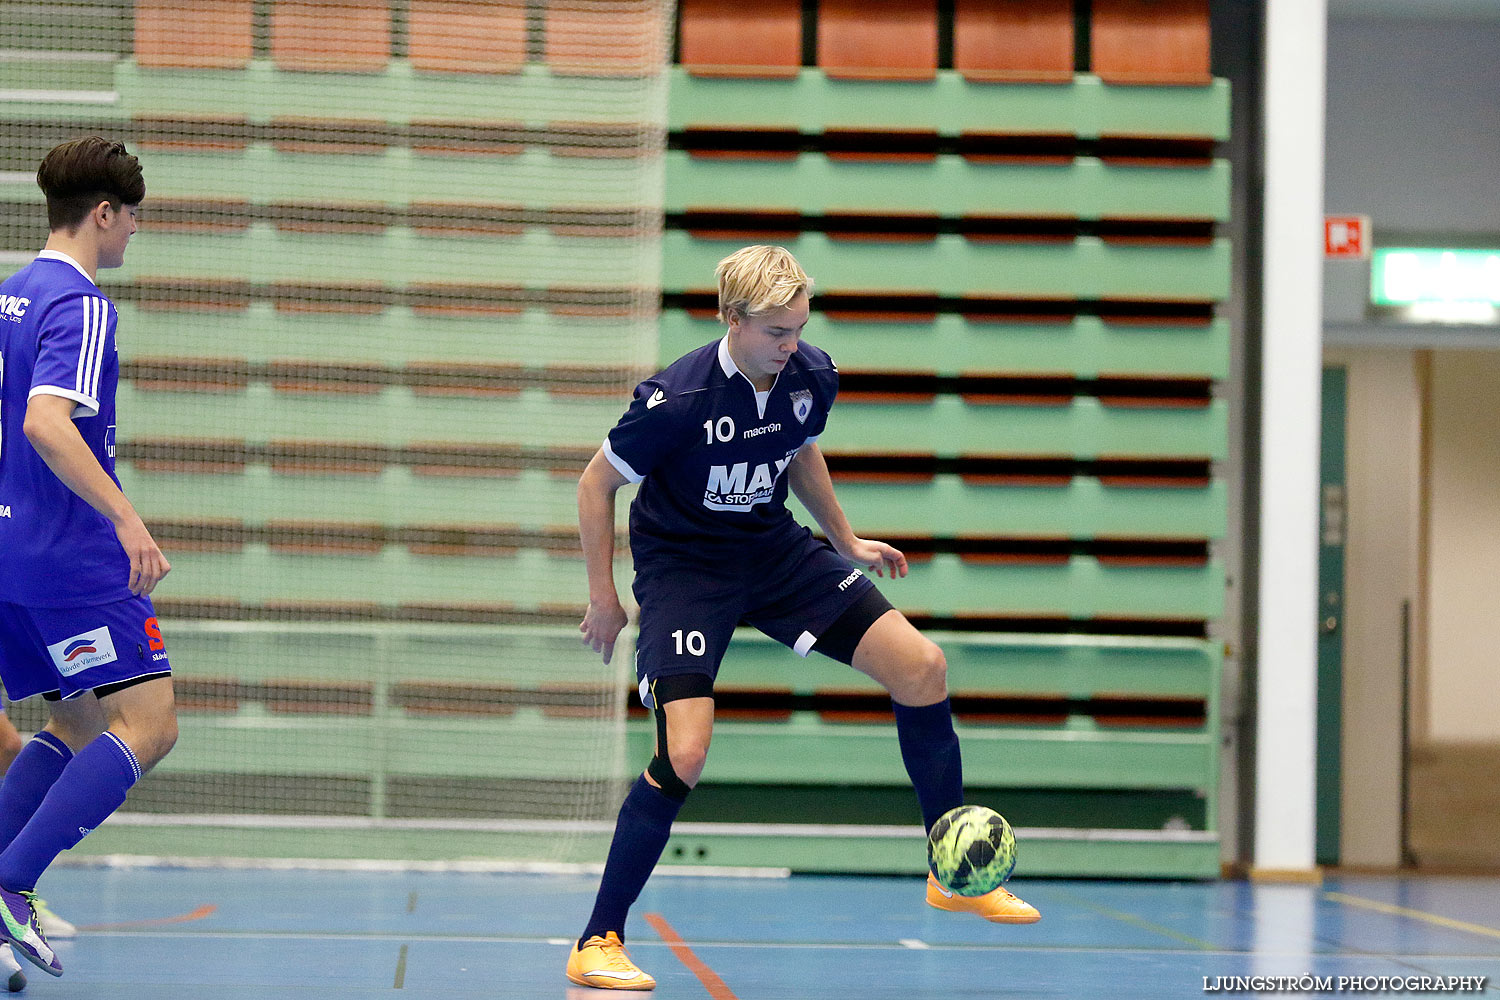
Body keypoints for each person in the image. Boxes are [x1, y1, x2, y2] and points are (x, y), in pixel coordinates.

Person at [565, 245, 1040, 990]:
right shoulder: (677, 401)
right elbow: (595, 487)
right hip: (687, 570)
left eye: (798, 328)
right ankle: (598, 938)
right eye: (776, 333)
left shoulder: (811, 373)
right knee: (685, 753)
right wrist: (604, 597)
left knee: (922, 667)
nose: (792, 346)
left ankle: (950, 872)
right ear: (732, 320)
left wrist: (845, 540)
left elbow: (798, 451)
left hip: (774, 552)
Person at [0, 136, 178, 979]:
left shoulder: (10, 295)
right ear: (103, 213)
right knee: (150, 724)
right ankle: (12, 880)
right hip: (69, 559)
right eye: (132, 215)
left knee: (71, 724)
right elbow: (44, 422)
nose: (135, 230)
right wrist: (127, 520)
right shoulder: (81, 302)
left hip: (9, 556)